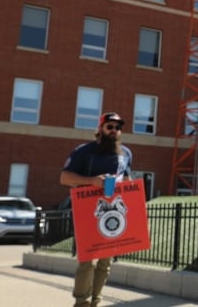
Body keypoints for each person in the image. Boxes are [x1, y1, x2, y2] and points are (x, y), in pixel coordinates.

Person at [60, 112, 132, 307]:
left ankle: (96, 301)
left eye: (118, 128)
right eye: (110, 127)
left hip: (113, 213)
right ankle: (81, 302)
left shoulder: (125, 153)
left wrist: (135, 204)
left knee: (105, 263)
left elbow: (127, 181)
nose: (114, 131)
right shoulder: (84, 151)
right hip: (88, 213)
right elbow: (65, 178)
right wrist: (91, 181)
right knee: (88, 261)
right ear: (101, 128)